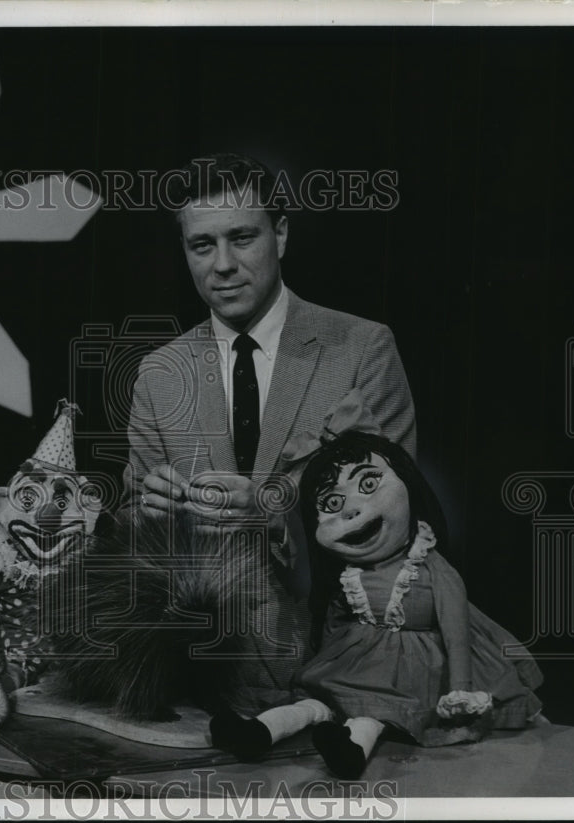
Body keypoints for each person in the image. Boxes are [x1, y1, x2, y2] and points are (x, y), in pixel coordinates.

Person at [124, 152, 417, 708]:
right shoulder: (159, 374)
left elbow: (401, 523)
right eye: (202, 245)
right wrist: (150, 513)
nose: (223, 265)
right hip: (200, 684)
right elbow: (132, 535)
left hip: (342, 672)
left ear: (279, 234)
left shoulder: (362, 349)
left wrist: (274, 510)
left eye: (242, 238)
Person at [210, 424, 543, 778]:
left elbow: (456, 632)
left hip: (414, 671)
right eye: (332, 503)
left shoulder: (432, 568)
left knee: (373, 712)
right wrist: (326, 657)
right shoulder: (349, 576)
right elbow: (336, 622)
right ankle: (258, 731)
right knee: (317, 700)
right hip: (356, 660)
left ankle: (352, 749)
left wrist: (460, 690)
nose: (352, 511)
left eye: (369, 484)